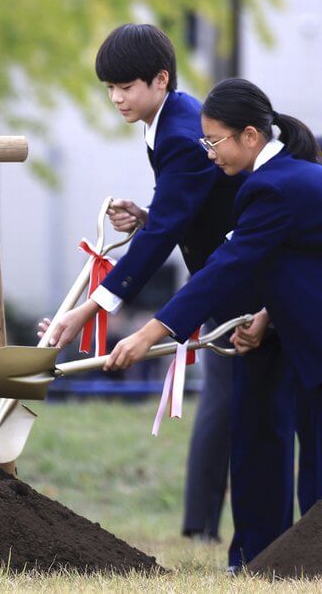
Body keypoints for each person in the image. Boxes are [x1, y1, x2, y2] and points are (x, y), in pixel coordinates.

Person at [103, 78, 322, 569]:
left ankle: (301, 563)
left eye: (214, 141)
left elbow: (228, 266)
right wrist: (267, 316)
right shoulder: (284, 178)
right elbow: (296, 262)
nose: (208, 153)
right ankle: (284, 562)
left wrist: (151, 331)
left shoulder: (272, 188)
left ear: (250, 136)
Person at [41, 24, 244, 541]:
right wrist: (151, 215)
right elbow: (185, 208)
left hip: (246, 284)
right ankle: (219, 533)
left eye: (125, 87)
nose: (116, 99)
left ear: (160, 79)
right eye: (109, 88)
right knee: (236, 406)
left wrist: (89, 310)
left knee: (253, 411)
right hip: (225, 280)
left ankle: (248, 541)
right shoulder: (170, 120)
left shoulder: (179, 132)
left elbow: (164, 239)